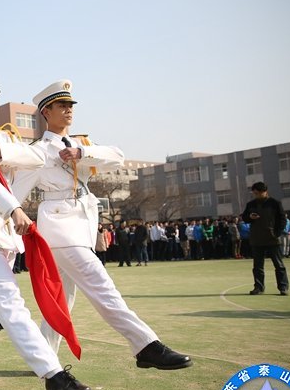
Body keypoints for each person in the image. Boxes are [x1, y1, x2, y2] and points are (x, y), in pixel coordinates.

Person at [12, 79, 192, 371]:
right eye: (61, 105)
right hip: (59, 230)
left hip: (81, 229)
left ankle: (43, 360)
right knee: (102, 286)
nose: (69, 110)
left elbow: (117, 156)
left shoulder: (81, 145)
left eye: (71, 105)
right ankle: (145, 345)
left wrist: (81, 154)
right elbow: (13, 195)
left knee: (62, 301)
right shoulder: (38, 151)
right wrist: (13, 219)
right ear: (46, 111)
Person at [0, 67, 93, 390]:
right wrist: (13, 208)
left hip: (4, 231)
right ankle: (52, 373)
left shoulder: (6, 140)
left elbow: (36, 157)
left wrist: (3, 152)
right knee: (9, 300)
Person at [241, 182, 289, 295]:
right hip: (256, 239)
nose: (256, 195)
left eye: (257, 193)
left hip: (272, 239)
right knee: (257, 266)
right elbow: (244, 217)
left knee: (279, 265)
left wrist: (277, 233)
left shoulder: (275, 203)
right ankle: (258, 287)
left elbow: (282, 219)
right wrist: (250, 217)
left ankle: (283, 287)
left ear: (264, 191)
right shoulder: (251, 204)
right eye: (254, 193)